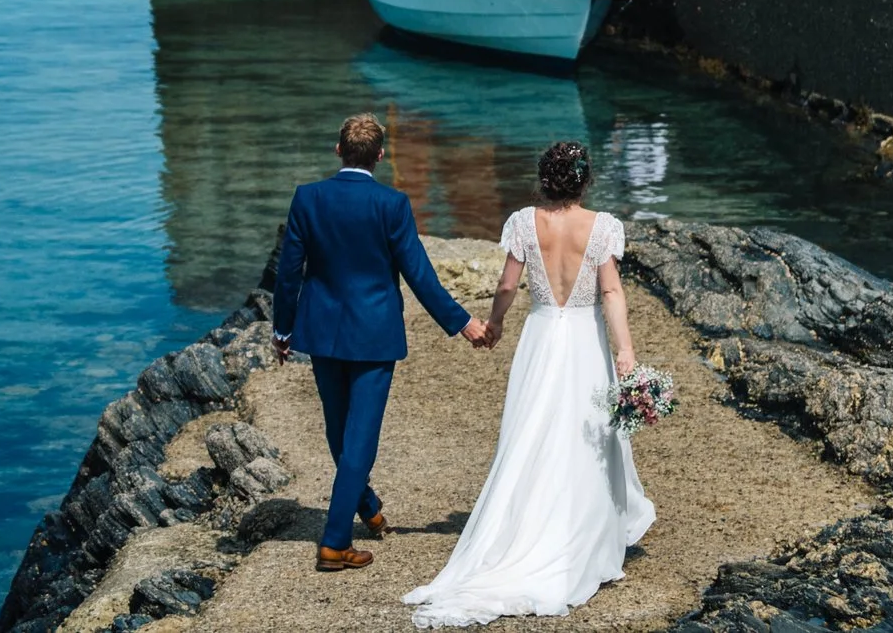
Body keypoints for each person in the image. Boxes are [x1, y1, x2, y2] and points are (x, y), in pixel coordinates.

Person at [402, 141, 654, 627]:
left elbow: (507, 285)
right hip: (583, 338)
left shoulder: (523, 222)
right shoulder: (602, 226)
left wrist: (494, 324)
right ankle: (581, 530)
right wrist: (624, 350)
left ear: (544, 180)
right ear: (584, 180)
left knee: (532, 430)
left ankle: (524, 525)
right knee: (585, 433)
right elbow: (610, 290)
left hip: (540, 336)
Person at [272, 113, 490, 574]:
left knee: (339, 431)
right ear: (381, 156)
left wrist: (282, 330)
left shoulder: (308, 197)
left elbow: (289, 271)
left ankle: (366, 503)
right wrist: (463, 322)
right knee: (359, 438)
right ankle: (334, 542)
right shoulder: (392, 203)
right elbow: (419, 274)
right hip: (373, 335)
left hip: (323, 332)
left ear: (338, 150)